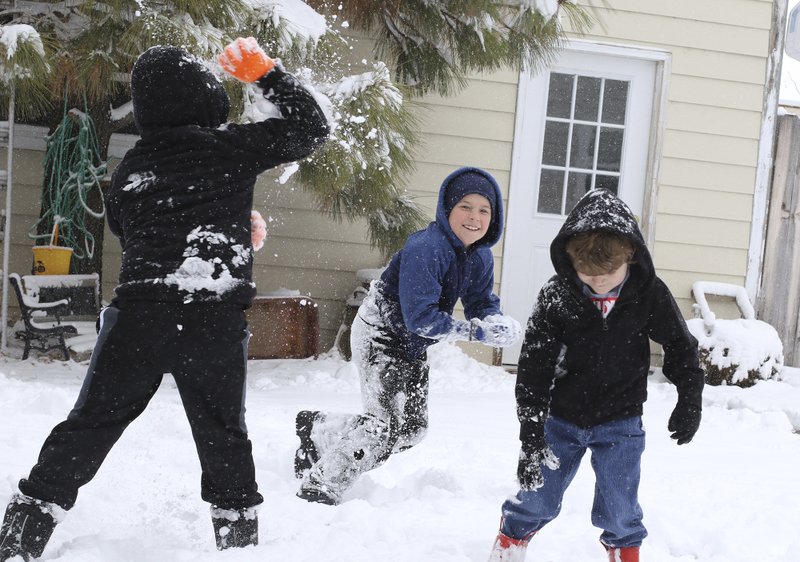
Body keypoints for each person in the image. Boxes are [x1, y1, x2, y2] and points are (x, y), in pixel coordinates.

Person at [0, 37, 328, 561]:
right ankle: (238, 543)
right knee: (224, 437)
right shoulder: (231, 147)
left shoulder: (130, 168)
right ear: (205, 98)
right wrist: (266, 74)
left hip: (138, 318)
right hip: (212, 318)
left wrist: (226, 230)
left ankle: (23, 532)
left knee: (90, 425)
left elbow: (132, 234)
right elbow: (312, 127)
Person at [488, 189, 704, 562]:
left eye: (608, 273)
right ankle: (509, 544)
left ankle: (623, 553)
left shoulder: (648, 293)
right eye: (587, 273)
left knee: (621, 508)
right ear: (570, 260)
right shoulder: (557, 295)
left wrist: (690, 396)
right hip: (561, 418)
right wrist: (531, 432)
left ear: (630, 256)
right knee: (537, 498)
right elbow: (534, 368)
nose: (598, 281)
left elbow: (681, 345)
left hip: (621, 421)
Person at [292, 166, 523, 506]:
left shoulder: (480, 257)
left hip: (411, 343)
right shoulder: (427, 247)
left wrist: (494, 320)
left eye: (484, 210)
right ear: (447, 209)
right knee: (382, 427)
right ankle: (322, 483)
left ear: (495, 217)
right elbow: (421, 319)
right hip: (380, 333)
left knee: (412, 429)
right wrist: (475, 331)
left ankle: (319, 429)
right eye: (465, 207)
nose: (474, 217)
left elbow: (480, 300)